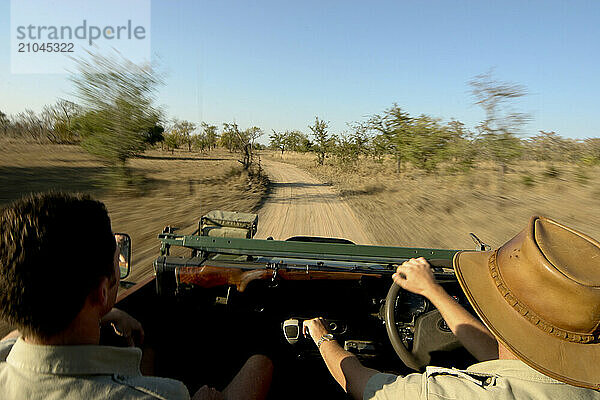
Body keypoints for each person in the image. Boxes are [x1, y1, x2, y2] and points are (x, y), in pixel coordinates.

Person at [0, 192, 272, 400]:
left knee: (149, 348)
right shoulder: (167, 395)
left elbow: (12, 339)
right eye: (116, 262)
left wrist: (108, 312)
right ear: (102, 291)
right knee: (262, 362)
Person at [303, 216, 600, 399]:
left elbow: (359, 385)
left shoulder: (451, 394)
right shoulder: (577, 378)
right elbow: (504, 357)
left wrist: (322, 336)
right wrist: (432, 291)